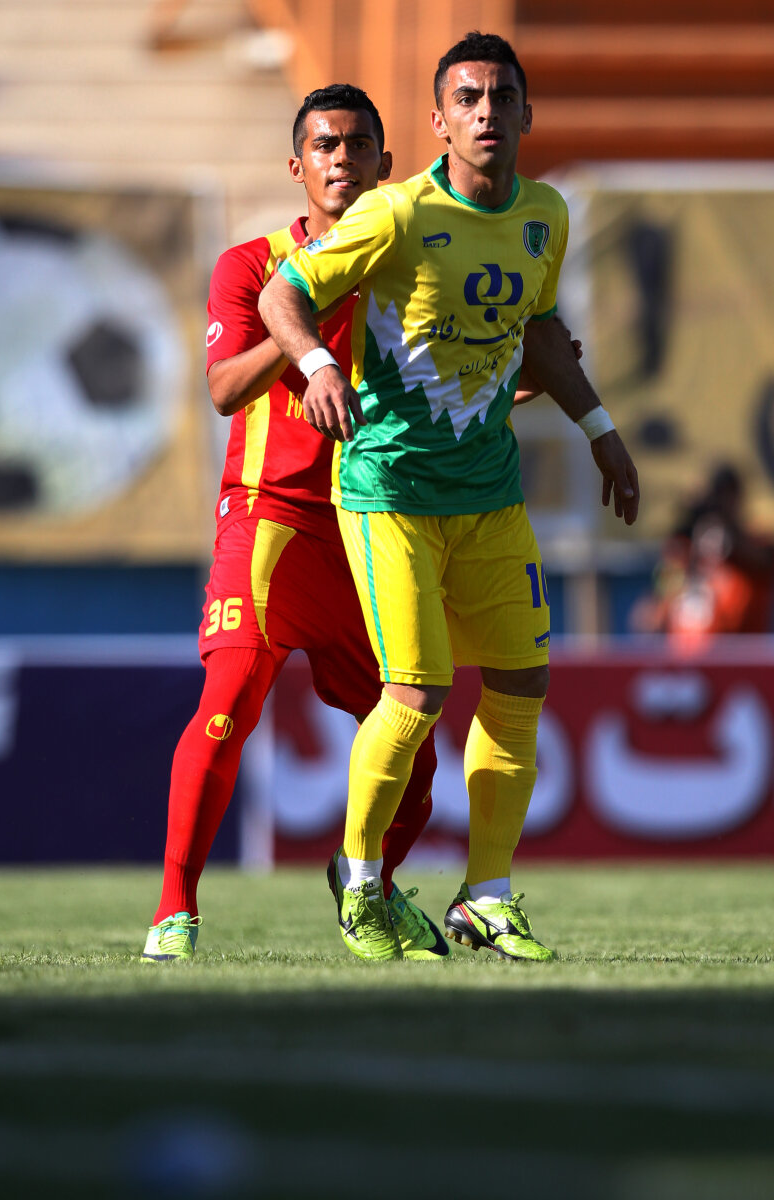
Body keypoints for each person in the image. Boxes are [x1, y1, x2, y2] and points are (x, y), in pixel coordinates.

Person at [259, 32, 640, 963]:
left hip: (490, 492)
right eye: (467, 98)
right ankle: (359, 883)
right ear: (438, 120)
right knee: (418, 692)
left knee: (521, 686)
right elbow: (281, 295)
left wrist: (601, 429)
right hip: (389, 490)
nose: (485, 112)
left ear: (526, 114)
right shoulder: (394, 213)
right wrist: (316, 366)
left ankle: (487, 897)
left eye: (501, 97)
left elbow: (538, 329)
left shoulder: (545, 214)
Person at [142, 85, 449, 963]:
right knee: (229, 701)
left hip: (371, 523)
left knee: (417, 745)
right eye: (324, 145)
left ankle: (368, 888)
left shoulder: (407, 270)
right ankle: (174, 911)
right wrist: (299, 326)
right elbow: (223, 390)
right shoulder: (253, 265)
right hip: (269, 516)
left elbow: (448, 389)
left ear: (386, 163)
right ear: (297, 166)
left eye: (357, 145)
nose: (341, 158)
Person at [630, 463, 774, 646]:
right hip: (689, 659)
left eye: (726, 496)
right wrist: (690, 538)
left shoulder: (756, 545)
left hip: (739, 657)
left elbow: (763, 560)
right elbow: (648, 619)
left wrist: (729, 531)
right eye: (716, 497)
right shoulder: (685, 552)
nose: (720, 504)